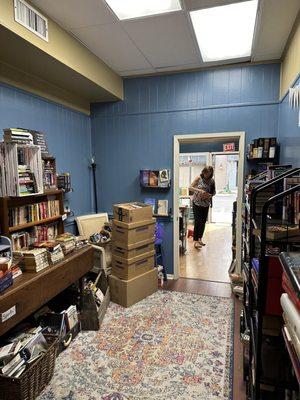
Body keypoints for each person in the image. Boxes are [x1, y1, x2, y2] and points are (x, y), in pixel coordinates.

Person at [189, 166, 216, 250]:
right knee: (198, 221)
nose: (207, 175)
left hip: (206, 204)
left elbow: (214, 192)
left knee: (203, 222)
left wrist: (209, 195)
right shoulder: (198, 178)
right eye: (206, 173)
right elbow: (190, 187)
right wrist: (200, 191)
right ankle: (196, 241)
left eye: (209, 174)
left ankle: (200, 239)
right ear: (203, 172)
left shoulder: (212, 181)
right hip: (197, 203)